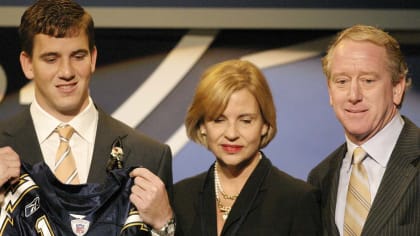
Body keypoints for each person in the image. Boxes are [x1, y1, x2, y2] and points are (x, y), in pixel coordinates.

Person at [0, 0, 175, 235]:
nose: (67, 72)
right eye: (51, 59)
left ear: (92, 58)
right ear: (28, 64)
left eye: (78, 56)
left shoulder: (149, 155)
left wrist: (166, 225)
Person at [173, 59, 322, 235]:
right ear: (202, 126)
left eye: (245, 121)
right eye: (219, 120)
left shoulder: (296, 199)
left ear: (265, 124)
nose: (231, 133)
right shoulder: (180, 197)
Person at [307, 24, 419, 236]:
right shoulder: (320, 178)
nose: (353, 95)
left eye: (368, 80)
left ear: (397, 88)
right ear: (330, 92)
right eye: (342, 81)